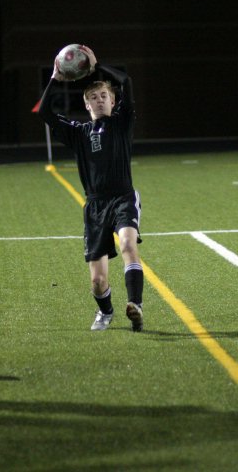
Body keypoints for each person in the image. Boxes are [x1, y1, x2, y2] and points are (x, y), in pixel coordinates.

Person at [37, 45, 145, 332]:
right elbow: (45, 112)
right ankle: (106, 312)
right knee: (97, 281)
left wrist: (96, 66)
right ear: (87, 105)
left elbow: (126, 82)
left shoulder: (122, 123)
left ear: (112, 102)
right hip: (95, 206)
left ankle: (136, 305)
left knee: (127, 245)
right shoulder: (79, 133)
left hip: (123, 197)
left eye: (104, 96)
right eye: (94, 97)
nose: (99, 100)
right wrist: (55, 78)